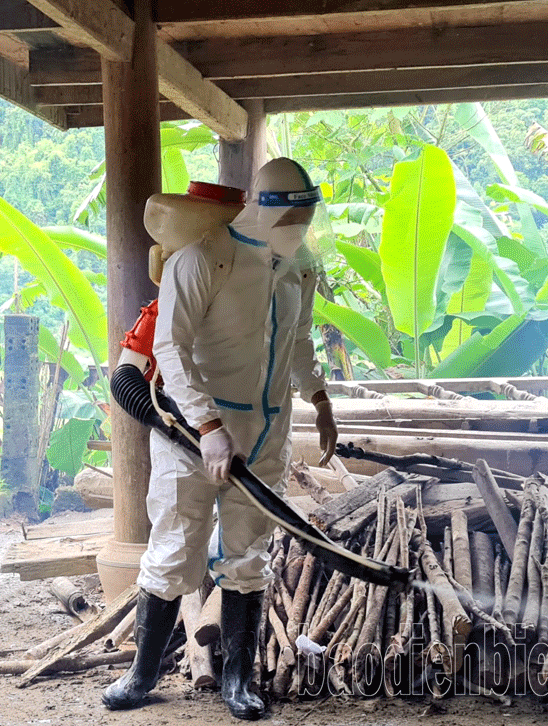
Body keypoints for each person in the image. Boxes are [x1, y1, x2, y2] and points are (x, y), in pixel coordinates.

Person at [103, 160, 338, 719]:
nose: (300, 228)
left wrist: (321, 400)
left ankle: (238, 679)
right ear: (264, 207)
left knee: (247, 555)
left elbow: (299, 341)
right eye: (292, 216)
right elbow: (170, 353)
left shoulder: (298, 266)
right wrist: (208, 429)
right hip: (192, 431)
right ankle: (141, 676)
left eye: (307, 218)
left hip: (267, 432)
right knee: (174, 549)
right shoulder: (203, 259)